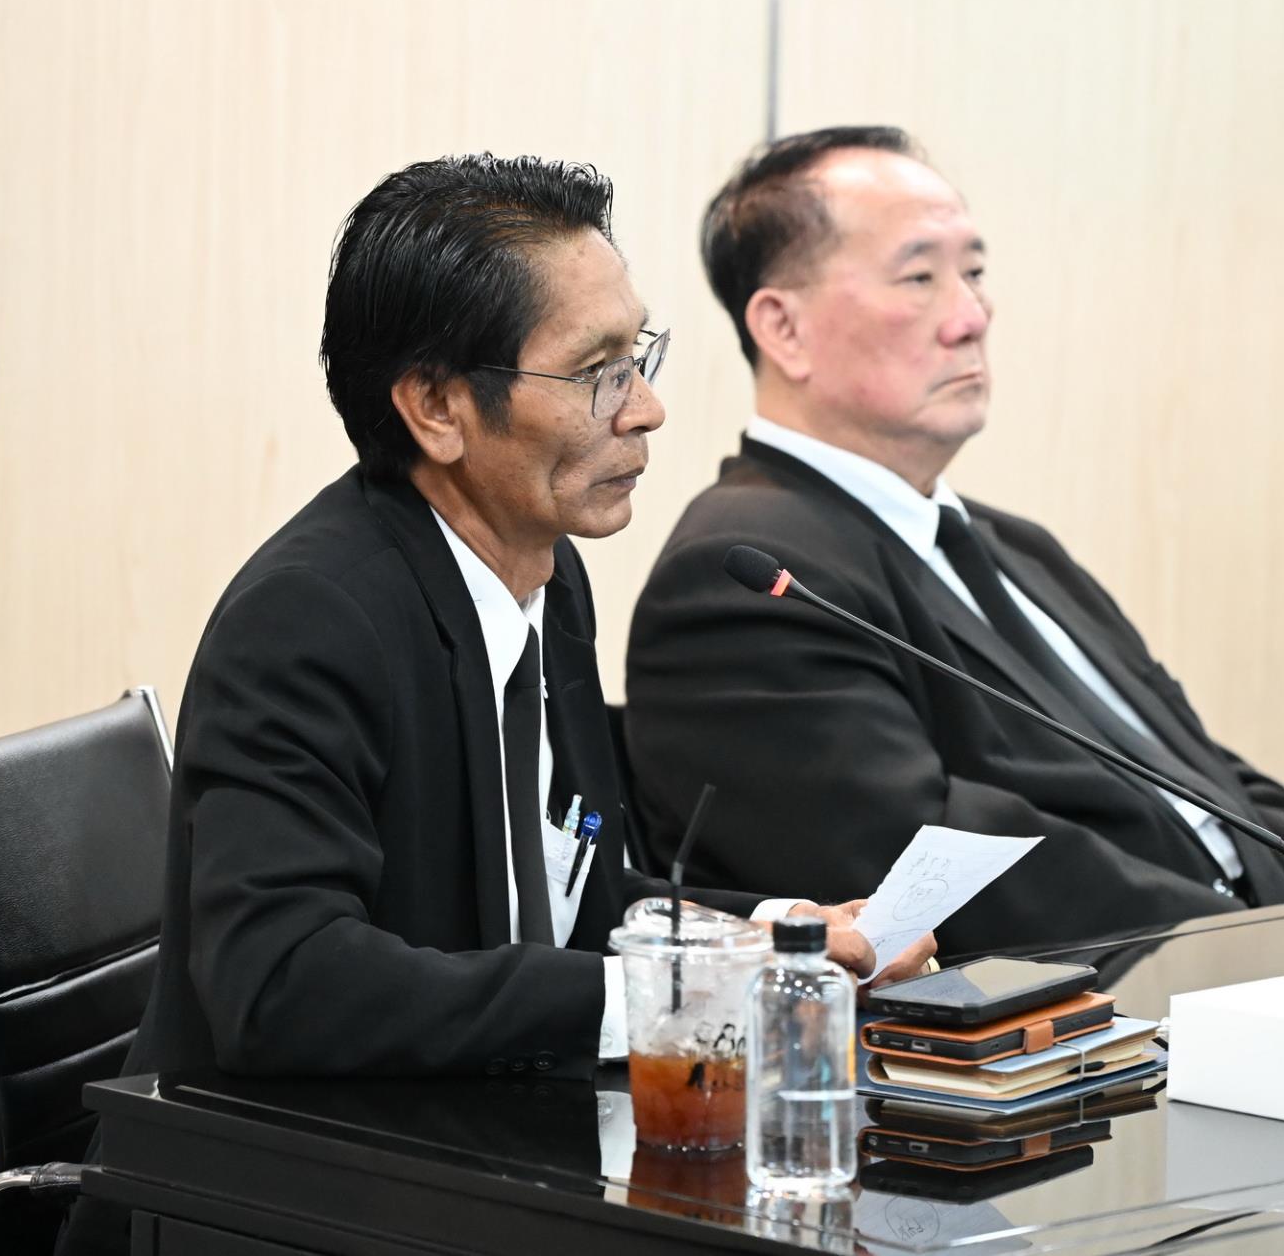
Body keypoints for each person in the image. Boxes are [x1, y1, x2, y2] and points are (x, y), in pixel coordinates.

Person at [59, 153, 933, 1253]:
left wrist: (779, 937)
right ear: (436, 406)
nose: (648, 409)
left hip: (468, 1163)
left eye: (639, 356)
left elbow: (572, 896)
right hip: (271, 1208)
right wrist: (650, 999)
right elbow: (282, 982)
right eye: (597, 372)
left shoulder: (548, 577)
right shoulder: (312, 618)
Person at [624, 127, 1284, 959]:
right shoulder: (745, 576)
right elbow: (935, 870)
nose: (971, 316)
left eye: (976, 273)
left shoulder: (1009, 544)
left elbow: (1178, 759)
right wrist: (1270, 943)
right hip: (1113, 1007)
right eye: (920, 278)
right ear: (784, 328)